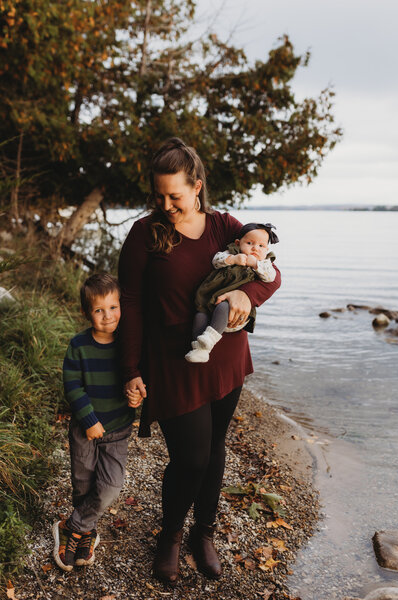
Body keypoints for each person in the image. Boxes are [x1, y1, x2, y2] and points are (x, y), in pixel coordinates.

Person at [118, 137, 281, 584]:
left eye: (175, 195)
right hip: (172, 362)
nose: (166, 204)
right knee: (189, 457)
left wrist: (247, 294)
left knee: (214, 450)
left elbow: (272, 272)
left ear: (197, 186)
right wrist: (130, 369)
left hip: (226, 355)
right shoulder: (144, 234)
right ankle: (170, 534)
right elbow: (129, 303)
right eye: (159, 195)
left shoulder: (226, 226)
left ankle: (203, 533)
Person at [52, 273, 142, 572]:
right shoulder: (79, 345)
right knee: (82, 483)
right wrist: (89, 419)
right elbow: (72, 385)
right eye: (99, 310)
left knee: (110, 487)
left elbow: (135, 380)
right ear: (86, 313)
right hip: (85, 430)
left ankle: (72, 526)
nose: (107, 316)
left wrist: (136, 397)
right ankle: (86, 533)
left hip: (117, 430)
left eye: (113, 307)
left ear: (122, 306)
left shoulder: (128, 345)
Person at [185, 222, 279, 363]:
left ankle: (209, 339)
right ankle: (199, 349)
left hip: (233, 309)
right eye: (249, 243)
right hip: (211, 298)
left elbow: (271, 277)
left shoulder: (264, 263)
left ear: (266, 249)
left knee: (223, 307)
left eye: (261, 246)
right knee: (200, 315)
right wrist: (232, 259)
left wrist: (255, 264)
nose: (255, 248)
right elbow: (216, 261)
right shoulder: (232, 252)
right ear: (238, 242)